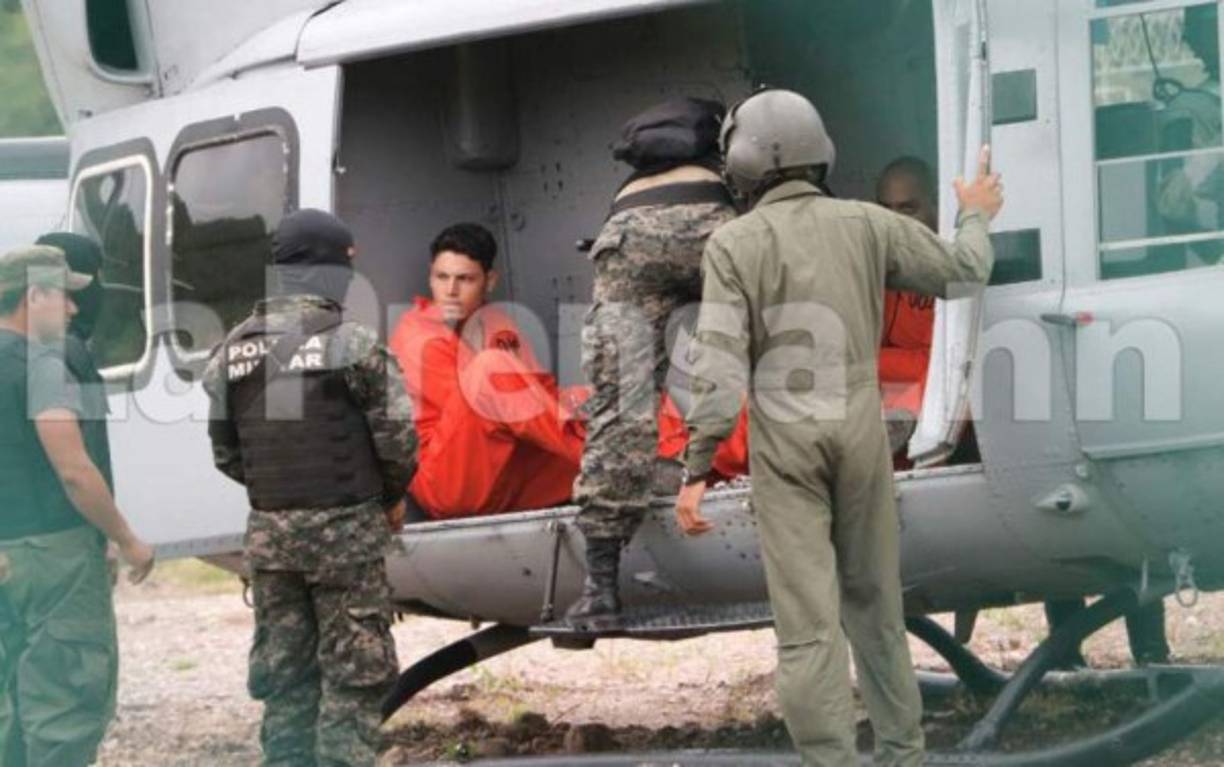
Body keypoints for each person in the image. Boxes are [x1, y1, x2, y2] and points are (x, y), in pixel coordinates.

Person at [674, 89, 1002, 766]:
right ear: (819, 153)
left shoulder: (732, 245)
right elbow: (965, 271)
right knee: (876, 606)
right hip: (861, 430)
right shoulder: (867, 223)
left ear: (742, 162)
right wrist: (973, 212)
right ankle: (903, 753)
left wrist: (697, 467)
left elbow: (722, 369)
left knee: (808, 626)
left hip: (786, 443)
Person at [203, 209, 418, 766]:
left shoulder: (231, 350)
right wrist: (388, 496)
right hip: (347, 538)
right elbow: (398, 442)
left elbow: (227, 454)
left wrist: (283, 501)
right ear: (330, 269)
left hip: (272, 543)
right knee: (354, 679)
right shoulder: (352, 343)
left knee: (285, 680)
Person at [566, 97, 738, 630]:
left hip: (630, 232)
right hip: (714, 221)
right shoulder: (721, 151)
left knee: (619, 407)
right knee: (779, 351)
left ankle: (600, 590)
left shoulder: (635, 181)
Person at [0, 245, 155, 766]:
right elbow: (73, 469)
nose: (71, 310)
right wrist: (127, 539)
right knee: (64, 703)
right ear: (35, 294)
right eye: (64, 296)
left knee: (10, 705)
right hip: (54, 556)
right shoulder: (40, 365)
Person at [875, 157, 938, 456]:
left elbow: (941, 364)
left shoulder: (953, 270)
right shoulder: (870, 269)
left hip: (930, 417)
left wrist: (872, 360)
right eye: (885, 210)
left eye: (908, 209)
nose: (894, 221)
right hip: (879, 404)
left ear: (936, 207)